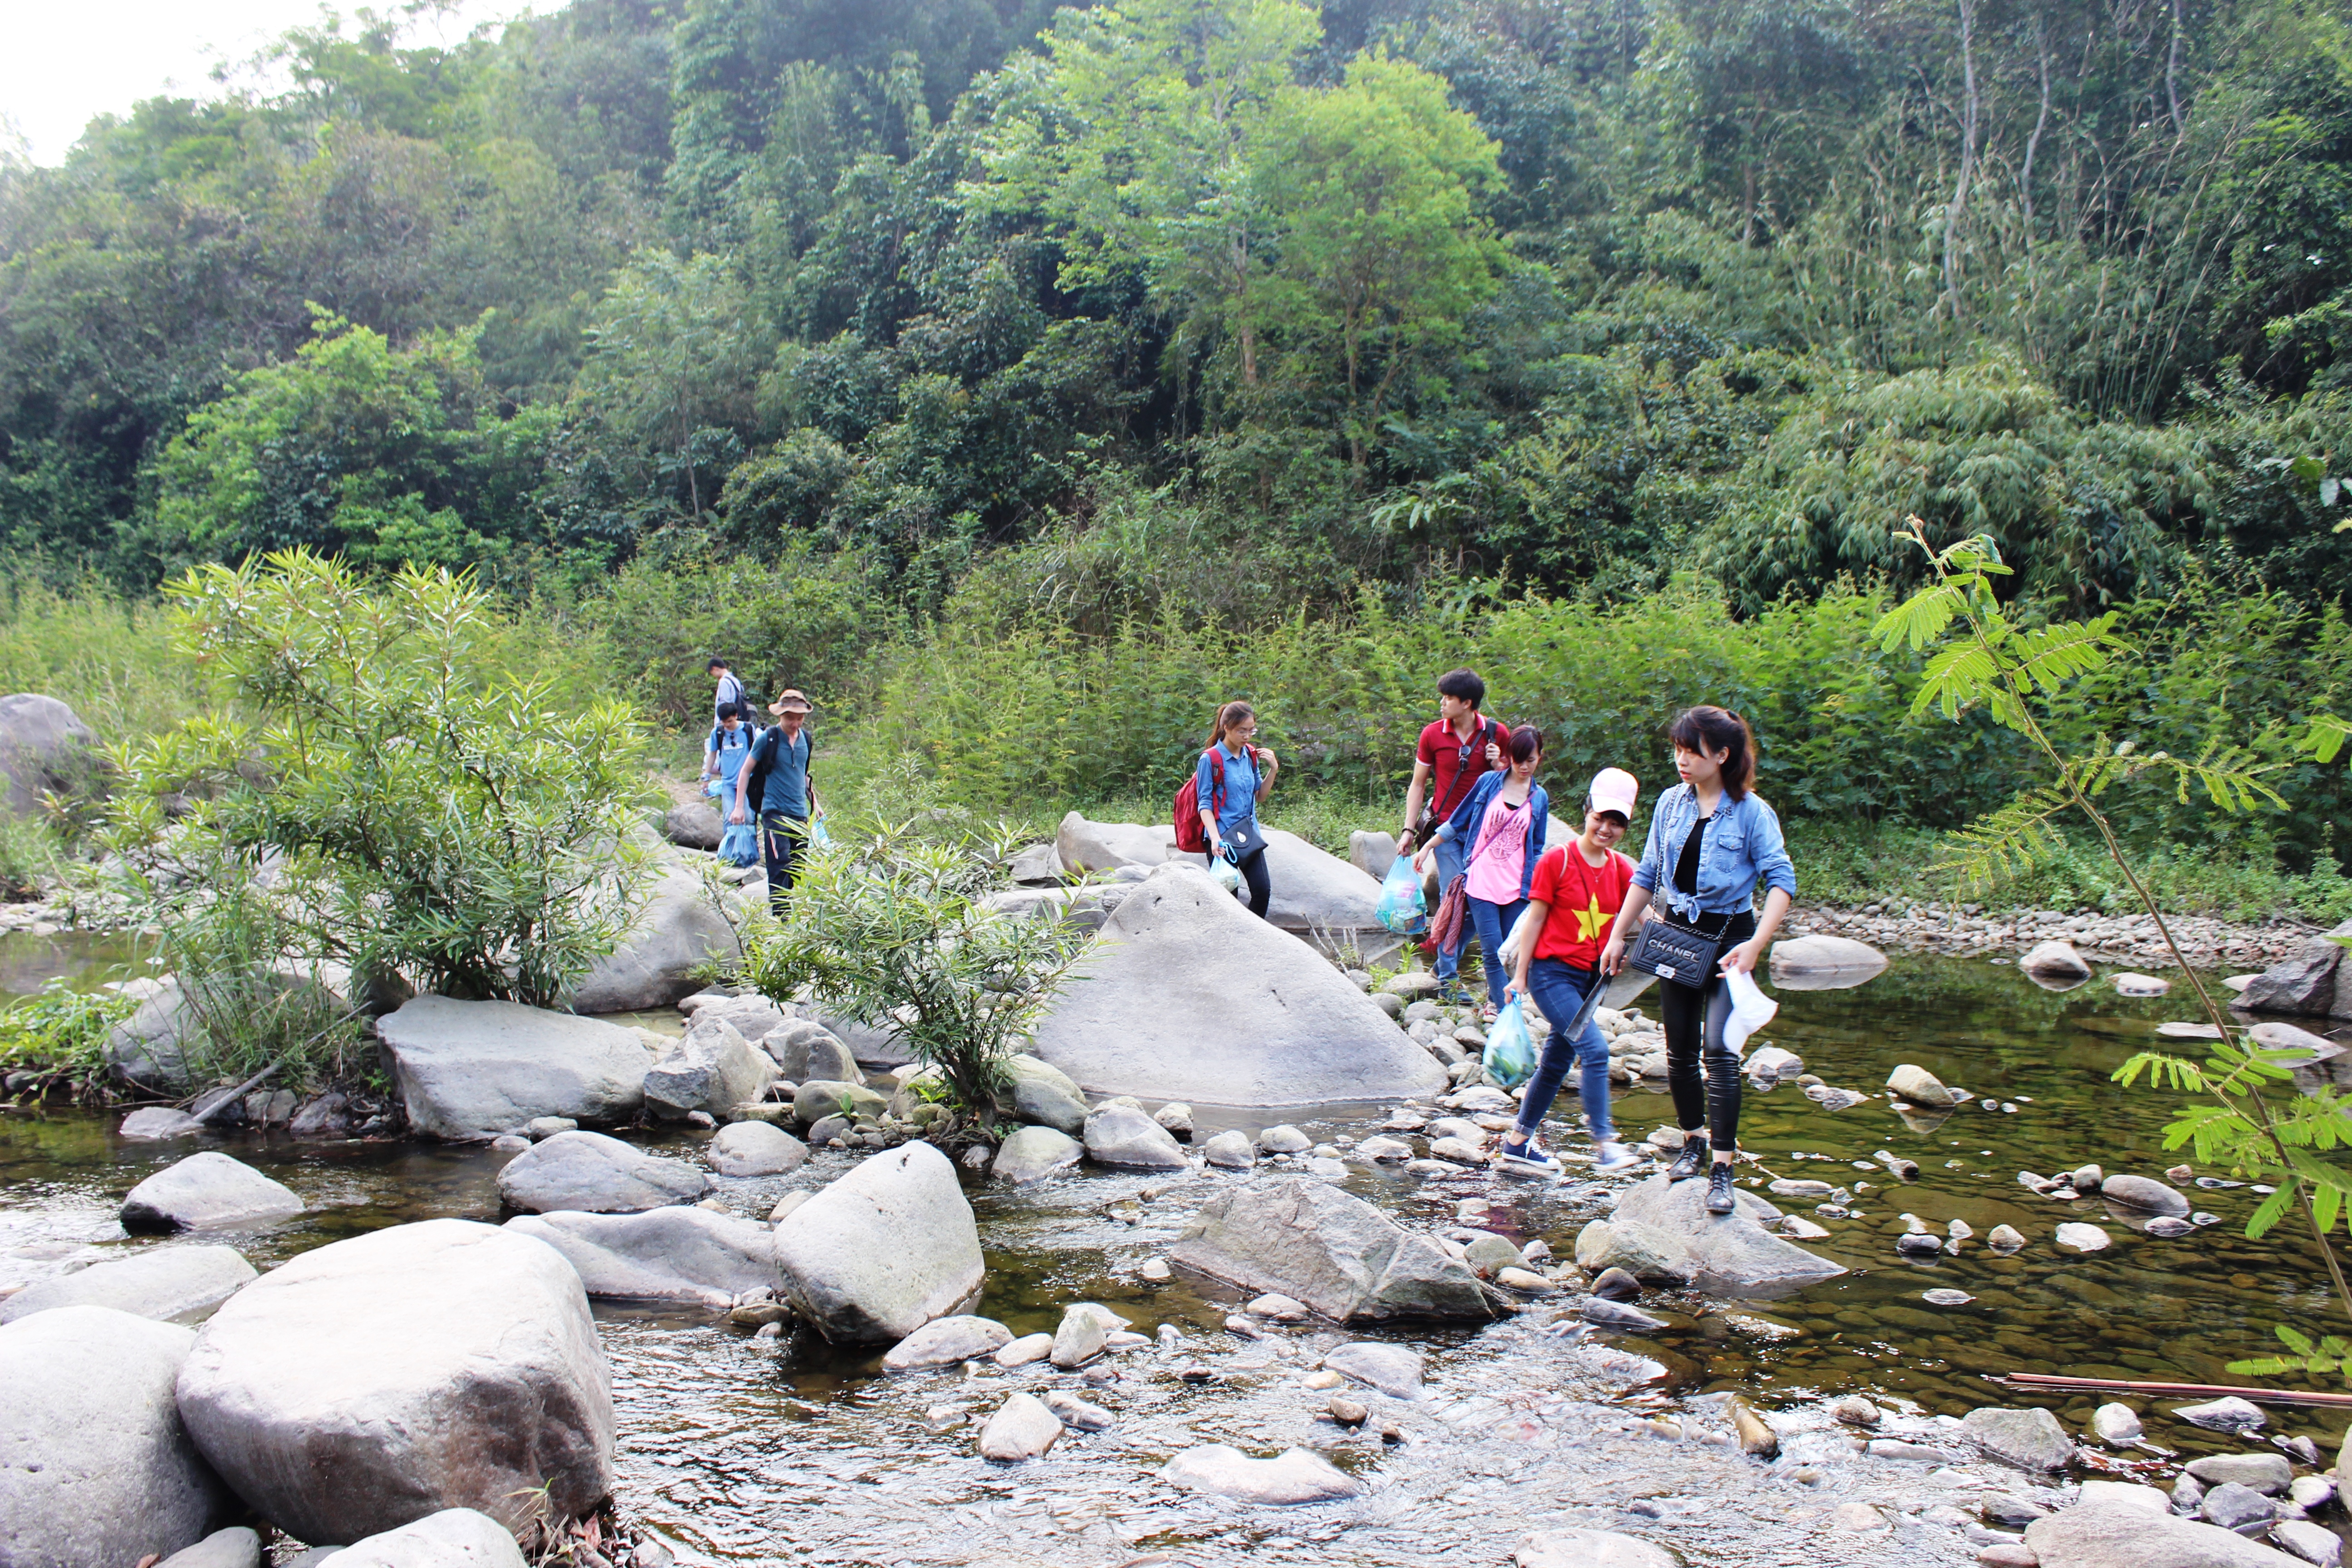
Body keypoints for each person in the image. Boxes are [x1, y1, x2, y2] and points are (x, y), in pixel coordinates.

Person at [1601, 706, 1796, 1215]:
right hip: (1678, 937)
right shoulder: (1670, 803)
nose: (1682, 760)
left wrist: (1756, 947)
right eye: (1678, 749)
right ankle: (1693, 1142)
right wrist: (1618, 935)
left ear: (1723, 755)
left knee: (1721, 1052)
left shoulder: (1752, 812)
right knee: (1679, 1051)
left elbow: (1782, 882)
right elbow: (1646, 875)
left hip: (1731, 938)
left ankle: (1724, 1168)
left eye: (1693, 751)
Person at [1498, 768, 1645, 1174]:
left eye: (1617, 823)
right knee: (1595, 1051)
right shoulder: (1556, 861)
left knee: (1556, 1064)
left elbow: (1647, 918)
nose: (1607, 829)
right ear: (1586, 812)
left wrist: (1685, 951)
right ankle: (1604, 1142)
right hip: (1552, 976)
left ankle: (1517, 1143)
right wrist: (1520, 976)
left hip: (1590, 982)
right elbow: (1535, 922)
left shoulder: (1621, 870)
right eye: (1601, 818)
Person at [1396, 668, 1511, 1002]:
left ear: (1468, 703)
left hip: (1484, 834)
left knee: (1479, 903)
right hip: (1446, 830)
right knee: (1453, 897)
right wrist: (1408, 827)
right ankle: (1448, 979)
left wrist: (1499, 765)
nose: (1442, 704)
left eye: (1448, 699)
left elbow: (1508, 784)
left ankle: (1443, 963)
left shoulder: (1496, 733)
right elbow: (1418, 784)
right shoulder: (1432, 734)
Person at [1421, 725, 1548, 1017]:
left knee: (1508, 952)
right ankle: (1502, 1008)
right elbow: (1457, 822)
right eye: (1518, 759)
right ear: (1508, 757)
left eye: (1531, 760)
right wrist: (1427, 847)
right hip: (1482, 880)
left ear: (1540, 757)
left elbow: (1537, 846)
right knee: (1492, 949)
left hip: (1517, 886)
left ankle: (1496, 1000)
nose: (1524, 766)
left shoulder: (1540, 798)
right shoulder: (1489, 783)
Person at [731, 688, 819, 916]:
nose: (796, 722)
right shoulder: (767, 739)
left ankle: (796, 913)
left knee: (798, 866)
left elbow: (803, 774)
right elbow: (746, 771)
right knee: (779, 863)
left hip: (799, 812)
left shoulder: (806, 740)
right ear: (780, 715)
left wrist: (815, 803)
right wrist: (739, 807)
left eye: (800, 718)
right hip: (774, 812)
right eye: (791, 717)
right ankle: (782, 918)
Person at [1194, 701, 1280, 919]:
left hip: (1248, 835)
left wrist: (1274, 769)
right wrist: (1214, 840)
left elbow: (1260, 796)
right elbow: (1204, 804)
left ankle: (1253, 937)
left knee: (1263, 891)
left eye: (1251, 730)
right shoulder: (1210, 759)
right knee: (1228, 900)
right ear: (1227, 728)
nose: (1247, 736)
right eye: (1242, 731)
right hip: (1222, 839)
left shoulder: (1250, 756)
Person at [702, 701, 757, 802]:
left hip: (748, 781)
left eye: (730, 721)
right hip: (727, 782)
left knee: (749, 817)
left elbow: (757, 751)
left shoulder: (748, 730)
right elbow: (712, 755)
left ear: (736, 716)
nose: (727, 725)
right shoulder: (717, 733)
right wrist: (706, 776)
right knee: (728, 817)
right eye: (724, 722)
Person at [708, 658, 746, 722]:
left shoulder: (724, 682)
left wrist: (722, 724)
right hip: (736, 720)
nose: (714, 676)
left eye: (713, 673)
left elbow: (724, 705)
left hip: (726, 723)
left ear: (715, 669)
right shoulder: (735, 680)